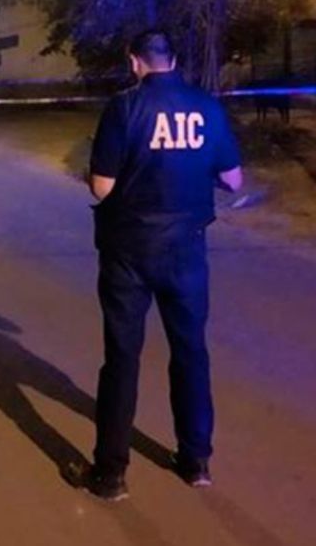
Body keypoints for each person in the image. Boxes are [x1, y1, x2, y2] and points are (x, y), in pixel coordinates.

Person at [81, 29, 243, 501]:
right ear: (171, 60)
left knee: (122, 359)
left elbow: (101, 187)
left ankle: (110, 474)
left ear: (135, 62)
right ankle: (195, 461)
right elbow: (234, 180)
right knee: (190, 351)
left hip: (129, 251)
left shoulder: (124, 108)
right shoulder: (207, 107)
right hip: (187, 251)